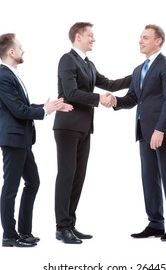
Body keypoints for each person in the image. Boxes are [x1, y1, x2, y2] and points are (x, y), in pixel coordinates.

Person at [53, 22, 131, 244]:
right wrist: (99, 98)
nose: (93, 39)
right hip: (67, 126)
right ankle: (61, 227)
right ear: (78, 36)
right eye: (90, 35)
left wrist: (138, 74)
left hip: (85, 127)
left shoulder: (88, 64)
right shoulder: (67, 59)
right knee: (67, 176)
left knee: (78, 177)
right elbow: (71, 92)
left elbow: (109, 84)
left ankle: (70, 224)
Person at [0, 33, 73, 247]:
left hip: (23, 141)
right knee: (10, 188)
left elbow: (23, 107)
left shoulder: (12, 75)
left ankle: (25, 232)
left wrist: (49, 107)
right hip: (13, 141)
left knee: (33, 182)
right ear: (10, 52)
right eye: (20, 47)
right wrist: (44, 111)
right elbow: (19, 111)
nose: (23, 50)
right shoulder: (3, 78)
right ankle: (9, 236)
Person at [113, 24, 166, 241]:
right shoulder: (138, 70)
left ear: (158, 41)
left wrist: (160, 129)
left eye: (145, 37)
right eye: (140, 37)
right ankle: (155, 223)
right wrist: (114, 101)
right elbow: (133, 99)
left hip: (162, 130)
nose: (140, 41)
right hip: (143, 131)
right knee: (149, 177)